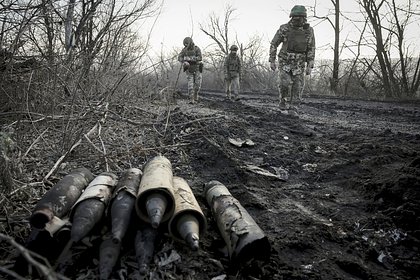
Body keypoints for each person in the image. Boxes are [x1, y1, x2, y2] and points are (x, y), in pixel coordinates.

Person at [269, 5, 315, 110]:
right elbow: (274, 43)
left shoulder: (309, 31)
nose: (297, 20)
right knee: (284, 83)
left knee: (298, 86)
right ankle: (283, 102)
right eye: (295, 17)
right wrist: (272, 60)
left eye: (299, 17)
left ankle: (294, 108)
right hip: (285, 61)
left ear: (304, 18)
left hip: (300, 63)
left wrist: (310, 65)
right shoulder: (284, 28)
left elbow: (311, 47)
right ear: (291, 17)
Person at [178, 37, 203, 104]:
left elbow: (200, 57)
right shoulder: (184, 50)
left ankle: (195, 95)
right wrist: (184, 61)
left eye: (187, 44)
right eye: (185, 44)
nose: (186, 45)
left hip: (197, 67)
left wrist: (192, 58)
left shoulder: (196, 49)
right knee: (190, 85)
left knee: (197, 84)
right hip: (189, 68)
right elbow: (179, 57)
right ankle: (191, 99)